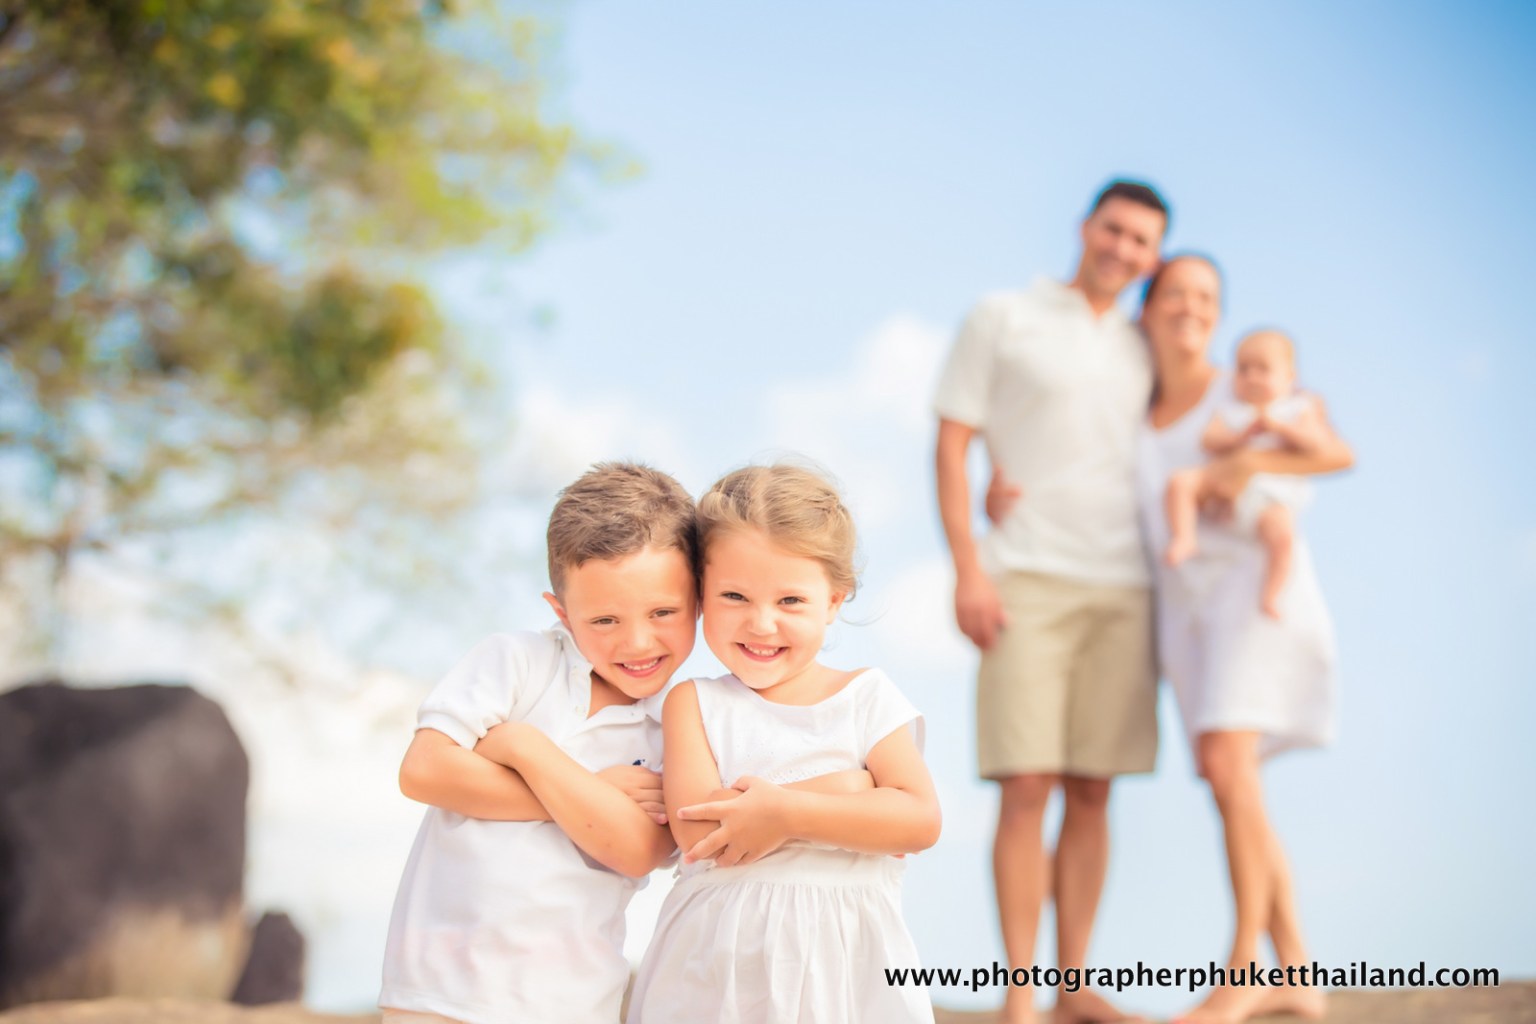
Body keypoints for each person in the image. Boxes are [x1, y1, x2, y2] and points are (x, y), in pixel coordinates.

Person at [933, 180, 1168, 1024]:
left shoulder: (1148, 346)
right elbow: (953, 441)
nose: (1124, 249)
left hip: (1125, 585)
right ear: (1086, 227)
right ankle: (1022, 995)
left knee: (1095, 786)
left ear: (1153, 258)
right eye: (1115, 230)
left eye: (1143, 242)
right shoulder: (1004, 316)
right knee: (1024, 780)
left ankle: (1076, 989)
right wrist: (968, 565)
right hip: (1024, 572)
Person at [379, 462, 698, 1024]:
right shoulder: (518, 661)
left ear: (697, 600)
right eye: (603, 619)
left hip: (566, 1001)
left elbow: (636, 847)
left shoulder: (682, 723)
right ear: (562, 612)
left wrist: (523, 747)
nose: (637, 640)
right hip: (438, 988)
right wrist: (593, 794)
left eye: (663, 612)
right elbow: (426, 771)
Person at [627, 463, 942, 1024]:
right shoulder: (694, 703)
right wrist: (848, 790)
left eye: (790, 601)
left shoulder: (867, 699)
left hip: (845, 968)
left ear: (835, 601)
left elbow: (918, 820)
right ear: (701, 594)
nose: (762, 624)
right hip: (716, 970)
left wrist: (785, 812)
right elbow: (701, 833)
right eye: (734, 596)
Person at [1136, 255, 1352, 1024]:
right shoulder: (1136, 407)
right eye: (1177, 293)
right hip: (1188, 613)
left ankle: (1243, 969)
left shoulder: (1246, 385)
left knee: (1233, 768)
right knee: (1232, 784)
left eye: (1208, 296)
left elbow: (1335, 452)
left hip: (1254, 596)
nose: (1193, 307)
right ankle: (1296, 967)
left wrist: (1246, 460)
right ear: (1148, 307)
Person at [1163, 328, 1332, 617]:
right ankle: (1184, 536)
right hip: (1223, 485)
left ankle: (1271, 594)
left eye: (1263, 369)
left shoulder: (1297, 408)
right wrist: (1239, 437)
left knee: (1283, 538)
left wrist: (1280, 429)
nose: (1252, 377)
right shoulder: (1231, 410)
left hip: (1270, 496)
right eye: (1243, 369)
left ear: (1290, 377)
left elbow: (1318, 444)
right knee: (1180, 483)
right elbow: (1210, 440)